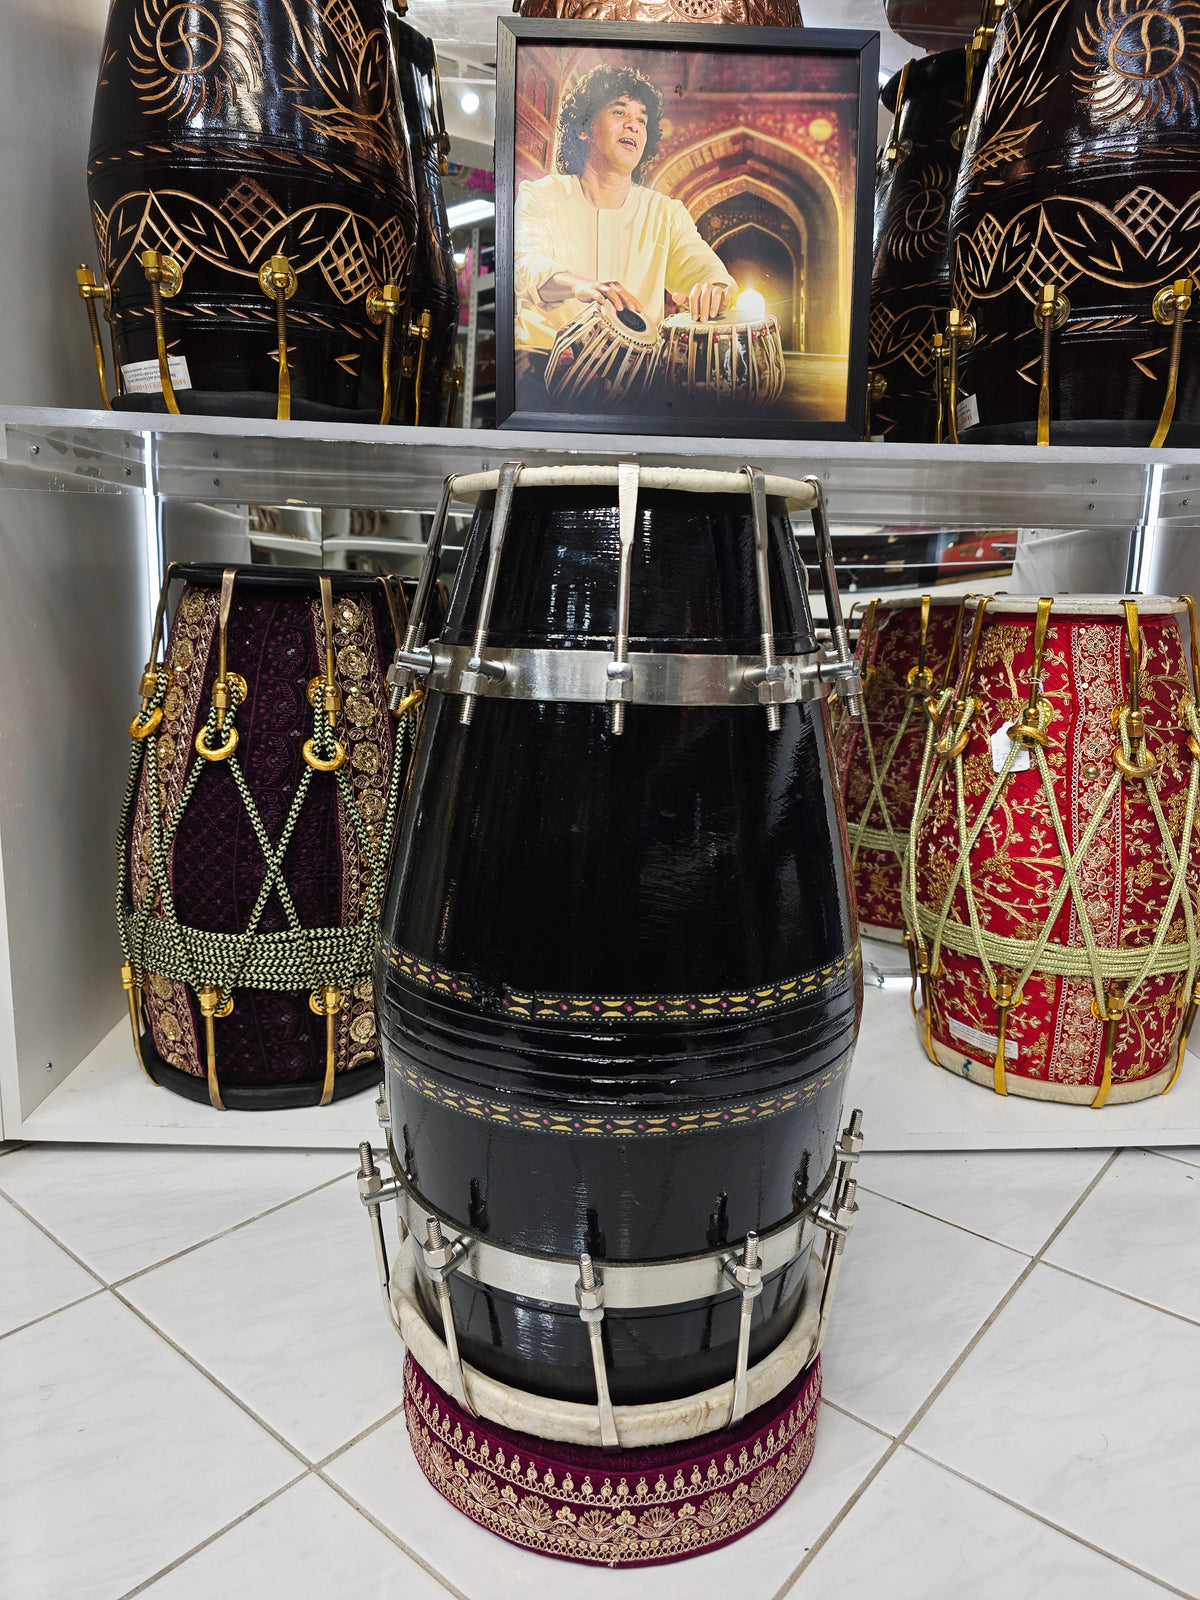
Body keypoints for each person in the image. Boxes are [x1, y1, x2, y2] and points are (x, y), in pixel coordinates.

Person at [513, 62, 737, 407]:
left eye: (642, 120)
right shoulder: (541, 195)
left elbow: (703, 268)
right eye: (620, 112)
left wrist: (715, 288)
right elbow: (525, 263)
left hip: (635, 377)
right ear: (584, 128)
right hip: (542, 363)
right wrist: (579, 285)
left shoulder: (664, 213)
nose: (633, 124)